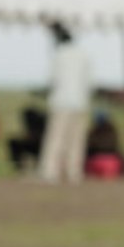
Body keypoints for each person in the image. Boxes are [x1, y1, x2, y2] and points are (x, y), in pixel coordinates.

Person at [39, 22, 91, 184]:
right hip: (80, 102)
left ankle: (51, 171)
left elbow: (52, 79)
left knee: (57, 137)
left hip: (61, 102)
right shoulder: (83, 55)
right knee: (76, 139)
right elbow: (89, 81)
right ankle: (74, 172)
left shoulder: (59, 55)